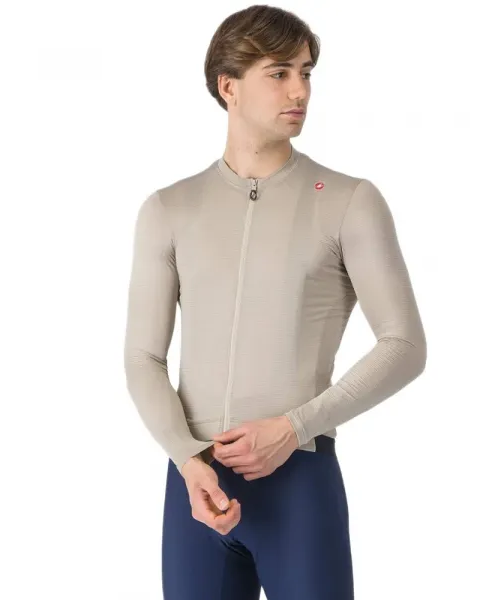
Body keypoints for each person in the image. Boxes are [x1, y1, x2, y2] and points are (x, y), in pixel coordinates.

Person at [123, 5, 427, 599]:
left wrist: (294, 427)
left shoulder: (348, 201)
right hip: (196, 485)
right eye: (279, 73)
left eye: (306, 73)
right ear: (228, 86)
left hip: (299, 480)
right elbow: (143, 357)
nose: (300, 91)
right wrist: (187, 460)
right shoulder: (169, 209)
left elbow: (405, 345)